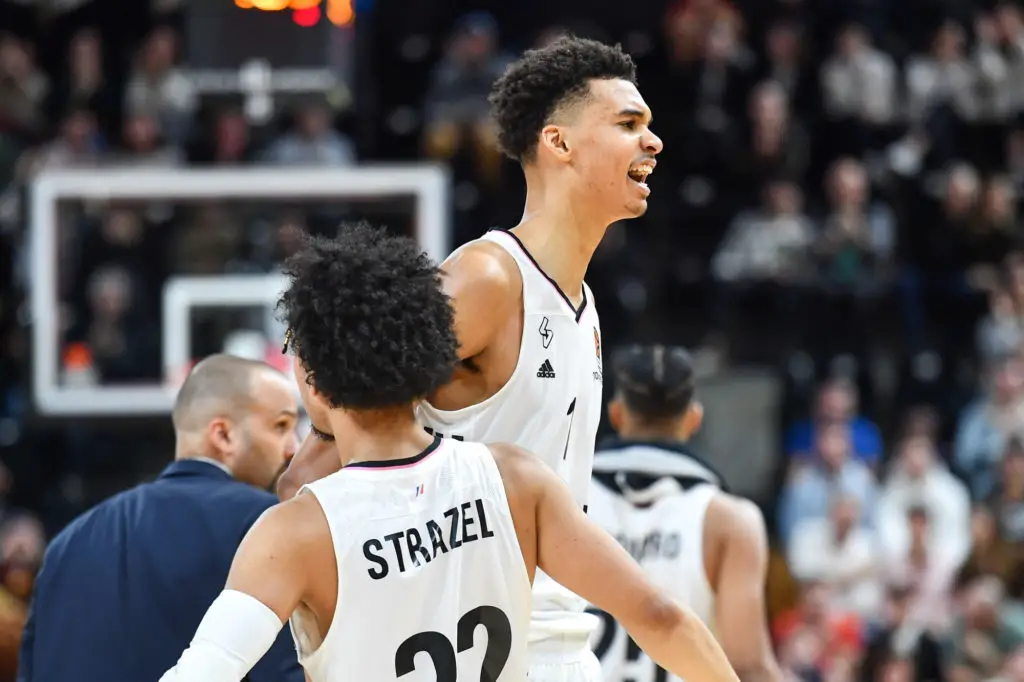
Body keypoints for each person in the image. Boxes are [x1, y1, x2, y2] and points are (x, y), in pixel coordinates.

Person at [160, 226, 740, 682]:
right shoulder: (516, 478)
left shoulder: (294, 533)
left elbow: (203, 673)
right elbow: (659, 616)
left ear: (312, 379)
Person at [277, 35, 662, 681]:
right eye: (628, 124)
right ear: (559, 143)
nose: (652, 141)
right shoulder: (488, 280)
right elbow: (317, 463)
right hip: (464, 642)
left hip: (550, 635)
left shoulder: (583, 303)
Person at [18, 355, 302, 682]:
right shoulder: (266, 523)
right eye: (281, 426)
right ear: (223, 435)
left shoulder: (65, 543)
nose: (293, 448)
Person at [587, 345, 782, 682]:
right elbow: (749, 667)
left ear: (616, 414)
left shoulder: (565, 497)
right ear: (694, 418)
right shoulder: (730, 521)